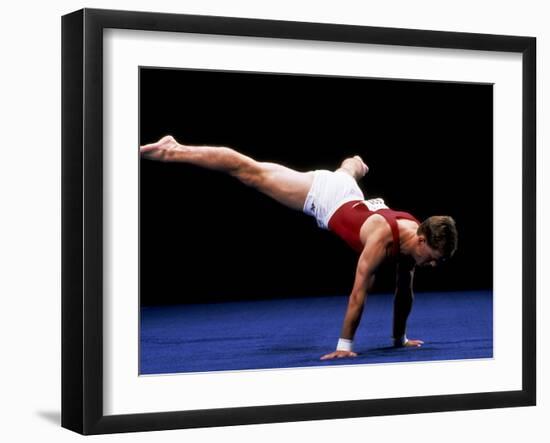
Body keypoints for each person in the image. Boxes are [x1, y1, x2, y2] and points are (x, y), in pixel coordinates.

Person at [140, 135, 458, 360]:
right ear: (421, 239)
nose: (431, 265)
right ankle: (173, 149)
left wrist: (399, 339)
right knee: (249, 171)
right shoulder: (383, 239)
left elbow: (404, 291)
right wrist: (345, 345)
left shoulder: (417, 232)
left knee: (347, 172)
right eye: (432, 258)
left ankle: (354, 164)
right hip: (323, 196)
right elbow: (359, 292)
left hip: (350, 193)